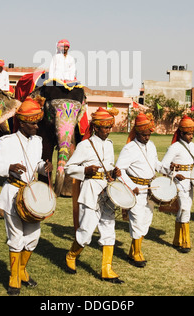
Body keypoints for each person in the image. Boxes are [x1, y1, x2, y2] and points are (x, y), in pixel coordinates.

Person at [0, 96, 53, 295]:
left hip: (31, 196)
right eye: (32, 123)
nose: (37, 127)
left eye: (37, 122)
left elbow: (35, 163)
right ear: (21, 123)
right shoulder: (7, 141)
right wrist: (8, 167)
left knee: (33, 237)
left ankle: (21, 270)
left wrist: (43, 166)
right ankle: (14, 277)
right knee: (16, 237)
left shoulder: (37, 141)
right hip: (12, 193)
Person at [64, 107, 123, 284]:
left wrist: (114, 172)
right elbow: (68, 168)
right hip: (90, 191)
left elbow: (108, 168)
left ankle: (107, 270)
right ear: (96, 127)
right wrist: (85, 170)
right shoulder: (85, 145)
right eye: (105, 127)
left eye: (109, 127)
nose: (108, 130)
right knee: (86, 232)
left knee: (108, 231)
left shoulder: (110, 145)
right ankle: (71, 255)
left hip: (107, 191)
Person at [116, 112, 164, 267]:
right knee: (136, 221)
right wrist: (131, 186)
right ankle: (136, 254)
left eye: (149, 134)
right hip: (135, 190)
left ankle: (132, 251)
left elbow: (155, 163)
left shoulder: (151, 145)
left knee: (146, 221)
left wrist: (168, 168)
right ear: (137, 132)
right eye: (144, 135)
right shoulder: (129, 148)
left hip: (150, 189)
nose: (147, 137)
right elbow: (119, 170)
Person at [161, 115, 194, 253]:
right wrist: (174, 174)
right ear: (182, 133)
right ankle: (185, 241)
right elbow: (163, 166)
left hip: (191, 181)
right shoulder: (174, 147)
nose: (191, 136)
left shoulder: (193, 146)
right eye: (189, 134)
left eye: (192, 133)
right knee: (184, 208)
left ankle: (177, 240)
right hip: (179, 181)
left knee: (185, 208)